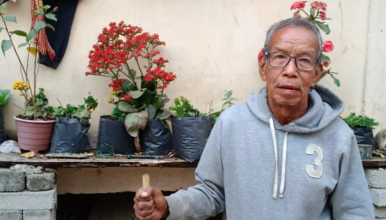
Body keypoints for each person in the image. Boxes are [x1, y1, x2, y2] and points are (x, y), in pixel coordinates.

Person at [133, 18, 374, 220]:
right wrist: (169, 207)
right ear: (263, 67)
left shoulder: (339, 136)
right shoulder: (231, 124)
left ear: (317, 74)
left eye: (304, 60)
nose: (290, 70)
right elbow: (213, 193)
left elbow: (354, 211)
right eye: (280, 57)